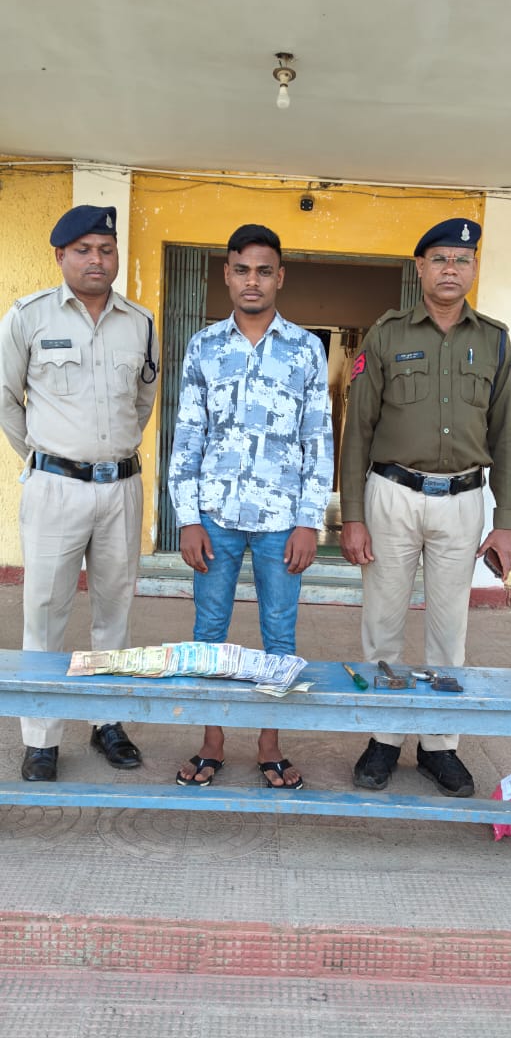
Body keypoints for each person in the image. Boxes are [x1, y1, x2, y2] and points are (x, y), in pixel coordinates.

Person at [339, 217, 511, 797]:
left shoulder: (493, 340)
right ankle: (383, 739)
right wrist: (353, 514)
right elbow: (357, 429)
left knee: (450, 632)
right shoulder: (386, 335)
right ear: (420, 268)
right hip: (392, 495)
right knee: (382, 625)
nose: (451, 269)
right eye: (440, 259)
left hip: (464, 500)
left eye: (462, 260)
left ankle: (439, 746)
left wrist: (505, 522)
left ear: (473, 269)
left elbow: (507, 434)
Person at [169, 223, 333, 790]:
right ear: (227, 274)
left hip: (281, 521)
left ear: (280, 277)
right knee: (208, 633)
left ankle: (270, 744)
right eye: (242, 269)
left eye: (264, 270)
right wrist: (187, 517)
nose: (252, 281)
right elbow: (188, 435)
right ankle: (211, 741)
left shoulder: (306, 349)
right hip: (214, 516)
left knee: (280, 635)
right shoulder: (203, 346)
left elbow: (318, 440)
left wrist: (310, 520)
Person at [0, 204, 159, 781]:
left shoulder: (141, 323)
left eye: (106, 250)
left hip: (121, 489)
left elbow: (142, 401)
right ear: (60, 255)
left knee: (115, 611)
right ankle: (41, 738)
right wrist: (48, 459)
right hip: (55, 489)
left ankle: (106, 720)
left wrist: (106, 454)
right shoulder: (28, 317)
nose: (98, 260)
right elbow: (6, 399)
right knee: (45, 613)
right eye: (85, 250)